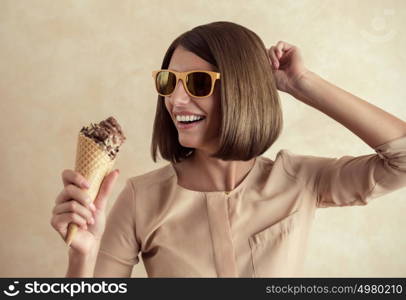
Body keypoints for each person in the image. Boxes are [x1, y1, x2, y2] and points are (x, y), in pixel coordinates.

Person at [50, 21, 406, 277]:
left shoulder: (301, 180)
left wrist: (301, 83)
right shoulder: (139, 198)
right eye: (169, 82)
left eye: (198, 83)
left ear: (242, 90)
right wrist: (84, 255)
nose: (175, 99)